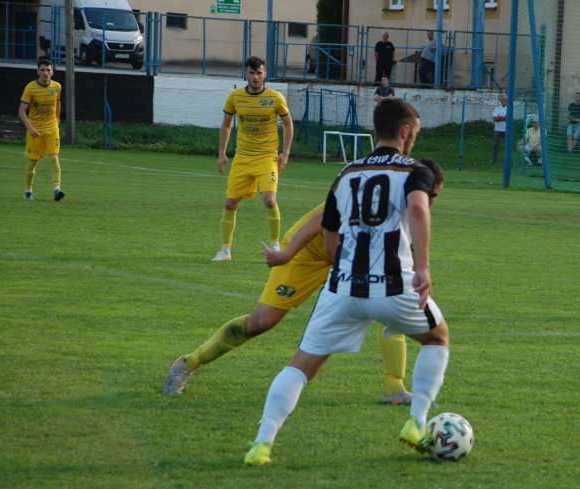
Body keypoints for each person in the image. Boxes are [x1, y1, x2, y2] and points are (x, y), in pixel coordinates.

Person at [243, 99, 449, 466]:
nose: (414, 139)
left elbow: (330, 238)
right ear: (404, 131)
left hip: (342, 289)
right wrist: (423, 268)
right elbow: (418, 208)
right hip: (394, 286)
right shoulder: (417, 171)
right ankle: (416, 423)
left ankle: (262, 443)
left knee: (301, 365)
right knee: (437, 337)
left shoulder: (347, 174)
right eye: (414, 132)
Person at [163, 203, 414, 404]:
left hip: (354, 257)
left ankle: (395, 388)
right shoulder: (366, 175)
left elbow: (404, 239)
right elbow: (324, 225)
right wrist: (288, 253)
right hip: (309, 250)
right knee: (262, 321)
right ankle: (188, 363)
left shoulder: (410, 199)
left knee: (388, 304)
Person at [213, 56, 293, 262]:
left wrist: (285, 153)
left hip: (267, 157)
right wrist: (222, 153)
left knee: (269, 199)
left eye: (259, 73)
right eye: (252, 73)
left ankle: (275, 244)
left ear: (265, 74)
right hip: (242, 157)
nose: (256, 77)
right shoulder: (235, 97)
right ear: (246, 74)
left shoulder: (275, 98)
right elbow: (226, 124)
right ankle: (225, 250)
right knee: (230, 203)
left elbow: (288, 125)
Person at [19, 57, 65, 202]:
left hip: (51, 129)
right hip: (35, 131)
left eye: (48, 70)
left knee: (54, 158)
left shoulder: (57, 86)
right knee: (33, 162)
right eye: (43, 70)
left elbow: (57, 105)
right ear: (37, 71)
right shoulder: (30, 88)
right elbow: (21, 111)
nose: (46, 73)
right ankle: (28, 190)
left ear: (52, 72)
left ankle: (57, 189)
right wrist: (30, 128)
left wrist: (57, 121)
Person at [490, 93, 508, 164]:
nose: (503, 101)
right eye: (502, 99)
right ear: (500, 100)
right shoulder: (496, 108)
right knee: (495, 145)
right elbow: (495, 119)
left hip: (506, 130)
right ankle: (494, 159)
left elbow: (508, 118)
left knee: (507, 146)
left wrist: (499, 117)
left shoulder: (509, 108)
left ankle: (507, 160)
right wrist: (503, 118)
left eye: (504, 99)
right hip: (497, 129)